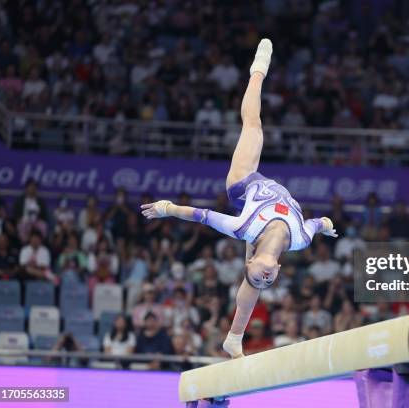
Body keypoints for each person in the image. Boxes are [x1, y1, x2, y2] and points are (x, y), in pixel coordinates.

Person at [141, 39, 337, 358]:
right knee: (254, 290)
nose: (264, 276)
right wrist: (327, 225)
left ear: (250, 261)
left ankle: (257, 72)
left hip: (243, 186)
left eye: (256, 274)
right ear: (276, 270)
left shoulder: (242, 227)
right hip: (268, 208)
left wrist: (168, 208)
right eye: (267, 279)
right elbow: (317, 222)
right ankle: (234, 338)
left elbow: (202, 215)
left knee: (253, 124)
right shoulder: (301, 239)